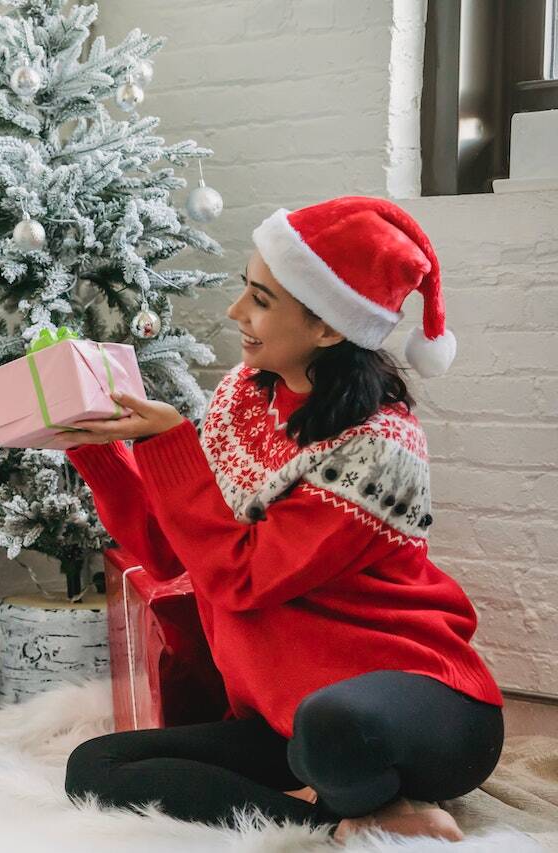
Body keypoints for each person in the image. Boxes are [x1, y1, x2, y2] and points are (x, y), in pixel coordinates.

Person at [61, 197, 503, 842]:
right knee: (95, 766)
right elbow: (175, 555)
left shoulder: (379, 447)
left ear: (328, 328)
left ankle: (360, 797)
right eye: (246, 289)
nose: (238, 312)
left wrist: (168, 445)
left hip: (420, 705)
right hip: (286, 716)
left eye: (262, 299)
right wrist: (96, 450)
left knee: (332, 726)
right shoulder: (245, 395)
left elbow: (243, 577)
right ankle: (338, 823)